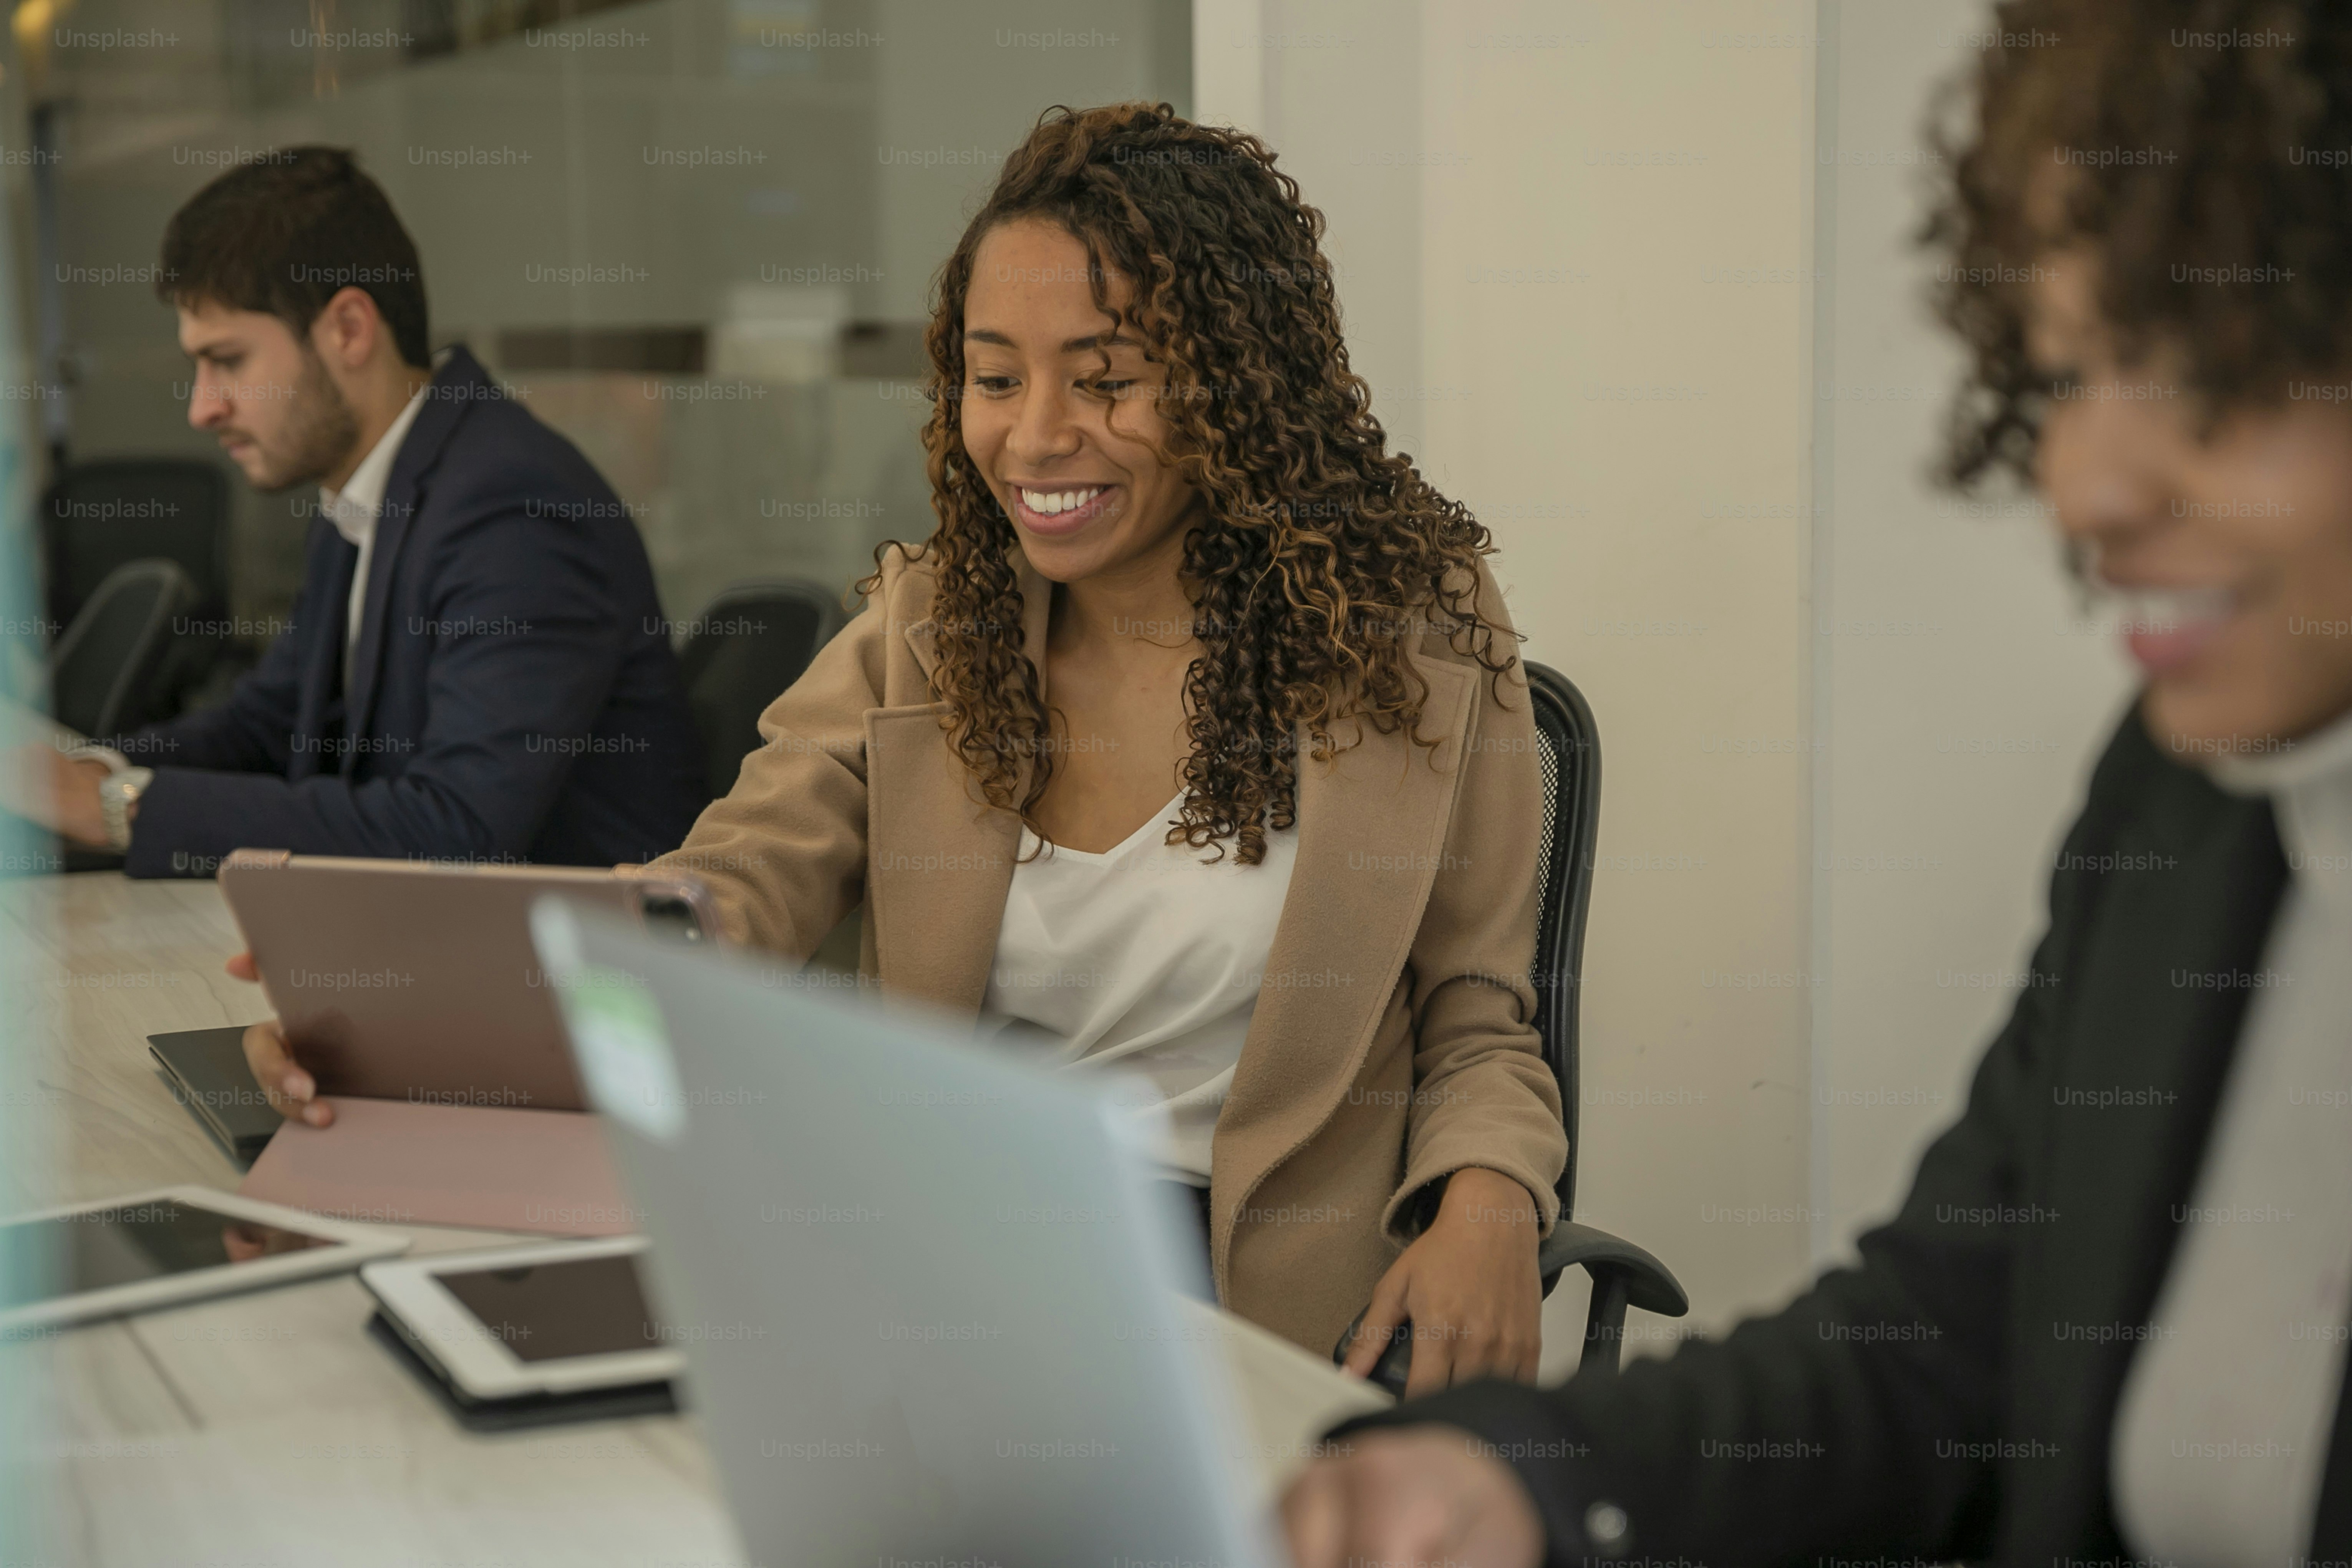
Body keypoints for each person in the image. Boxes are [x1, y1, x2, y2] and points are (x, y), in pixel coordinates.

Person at [241, 102, 1571, 1384]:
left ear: (1236, 382)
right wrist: (410, 1032)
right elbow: (732, 885)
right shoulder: (933, 624)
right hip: (948, 1240)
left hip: (1249, 1284)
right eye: (994, 378)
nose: (1034, 434)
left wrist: (1491, 1202)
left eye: (1104, 380)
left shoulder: (1411, 638)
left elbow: (1475, 1013)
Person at [1281, 2, 2352, 1563]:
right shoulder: (2190, 805)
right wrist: (1519, 1474)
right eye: (2063, 380)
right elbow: (1947, 1349)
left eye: (2215, 378)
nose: (2083, 489)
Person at [5, 147, 703, 874]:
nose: (203, 408)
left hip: (576, 972)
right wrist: (78, 778)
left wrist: (115, 806)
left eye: (230, 361)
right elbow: (268, 727)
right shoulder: (371, 490)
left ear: (348, 329)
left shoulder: (514, 508)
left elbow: (453, 829)